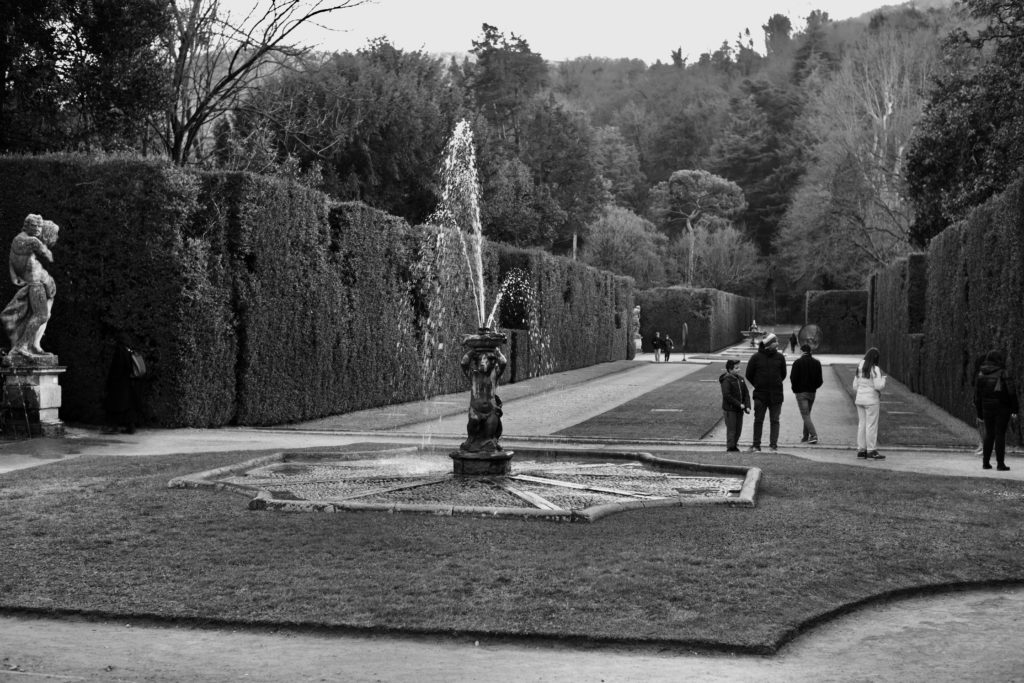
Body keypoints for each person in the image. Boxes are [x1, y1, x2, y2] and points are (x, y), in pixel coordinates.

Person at [0, 214, 59, 357]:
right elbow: (46, 253)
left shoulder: (17, 239)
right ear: (28, 226)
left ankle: (32, 346)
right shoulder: (31, 241)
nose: (38, 229)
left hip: (36, 281)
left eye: (40, 226)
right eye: (35, 226)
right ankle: (21, 346)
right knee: (42, 315)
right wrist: (48, 255)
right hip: (35, 283)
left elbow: (11, 259)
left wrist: (15, 276)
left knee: (40, 314)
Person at [974, 350, 1019, 471]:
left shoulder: (981, 374)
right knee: (1000, 434)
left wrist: (979, 412)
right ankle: (1000, 464)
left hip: (987, 408)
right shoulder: (1004, 373)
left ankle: (986, 462)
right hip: (1002, 407)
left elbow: (977, 396)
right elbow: (1011, 392)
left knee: (989, 434)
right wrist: (1015, 409)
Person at [745, 332, 786, 452]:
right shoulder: (756, 357)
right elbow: (749, 374)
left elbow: (783, 374)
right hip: (760, 395)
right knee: (758, 420)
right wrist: (758, 384)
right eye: (775, 341)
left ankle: (773, 445)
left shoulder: (780, 357)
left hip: (776, 395)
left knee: (775, 420)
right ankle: (756, 445)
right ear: (769, 344)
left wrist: (775, 383)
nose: (777, 343)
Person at [104, 333, 142, 434]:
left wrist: (110, 381)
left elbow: (116, 368)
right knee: (128, 406)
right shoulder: (129, 350)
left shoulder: (119, 350)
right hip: (129, 382)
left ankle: (114, 427)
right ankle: (131, 426)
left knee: (115, 405)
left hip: (119, 384)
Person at [853, 347, 886, 460]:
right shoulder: (875, 369)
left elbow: (854, 386)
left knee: (862, 424)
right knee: (871, 425)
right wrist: (883, 380)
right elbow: (878, 386)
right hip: (871, 400)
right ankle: (871, 450)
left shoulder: (859, 367)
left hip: (860, 399)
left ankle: (861, 450)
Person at [790, 343, 823, 444]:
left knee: (805, 415)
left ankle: (813, 435)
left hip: (801, 393)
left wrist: (796, 390)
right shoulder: (817, 363)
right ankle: (805, 437)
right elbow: (820, 381)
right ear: (810, 351)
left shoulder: (797, 362)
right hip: (812, 392)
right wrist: (813, 388)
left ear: (801, 351)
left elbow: (793, 378)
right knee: (807, 414)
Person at [720, 359, 750, 452]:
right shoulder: (726, 380)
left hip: (739, 410)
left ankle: (734, 446)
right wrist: (739, 404)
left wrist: (747, 406)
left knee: (738, 429)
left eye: (739, 367)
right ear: (730, 369)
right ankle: (730, 447)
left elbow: (746, 393)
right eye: (736, 368)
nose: (739, 369)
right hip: (730, 410)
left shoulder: (741, 379)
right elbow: (727, 395)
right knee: (732, 430)